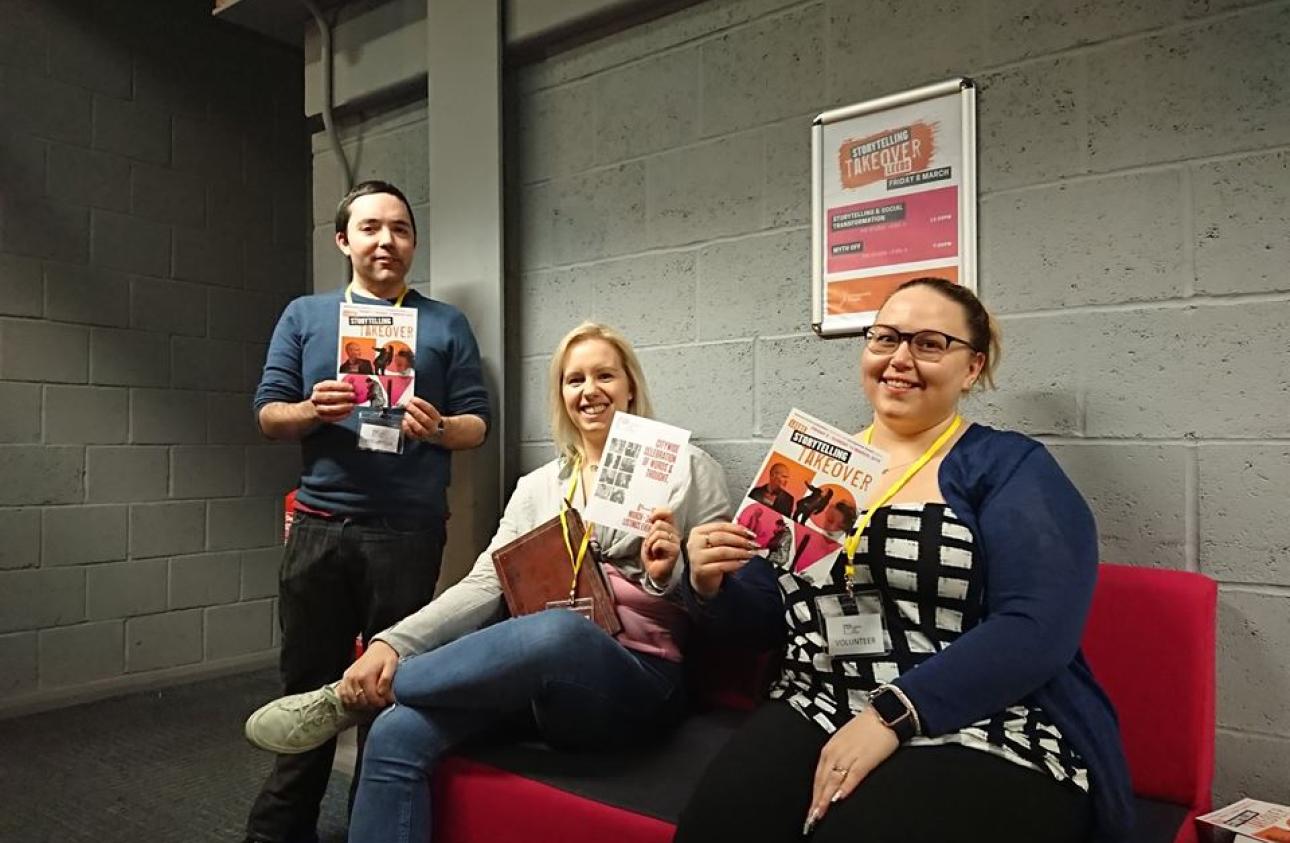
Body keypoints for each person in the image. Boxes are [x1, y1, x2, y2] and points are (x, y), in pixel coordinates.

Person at [677, 277, 1134, 843]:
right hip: (817, 699)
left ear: (972, 368)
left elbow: (1037, 629)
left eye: (929, 343)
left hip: (979, 719)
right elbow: (769, 618)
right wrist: (712, 583)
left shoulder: (1008, 467)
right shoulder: (817, 463)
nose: (899, 359)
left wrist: (893, 714)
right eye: (885, 338)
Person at [244, 321, 731, 843]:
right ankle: (374, 693)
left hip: (637, 682)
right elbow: (483, 584)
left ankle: (361, 693)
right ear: (562, 395)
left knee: (556, 632)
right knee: (395, 733)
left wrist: (673, 575)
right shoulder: (539, 488)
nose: (589, 391)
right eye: (574, 380)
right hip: (539, 685)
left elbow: (723, 606)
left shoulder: (686, 468)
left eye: (604, 376)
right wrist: (390, 641)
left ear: (630, 384)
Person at [245, 180, 491, 843]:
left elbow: (478, 425)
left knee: (387, 694)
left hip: (406, 534)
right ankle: (278, 831)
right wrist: (310, 410)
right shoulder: (305, 315)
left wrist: (438, 426)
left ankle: (373, 829)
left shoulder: (444, 323)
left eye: (401, 229)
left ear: (413, 241)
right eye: (372, 227)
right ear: (343, 240)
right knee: (309, 691)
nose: (387, 240)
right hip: (320, 526)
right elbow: (269, 414)